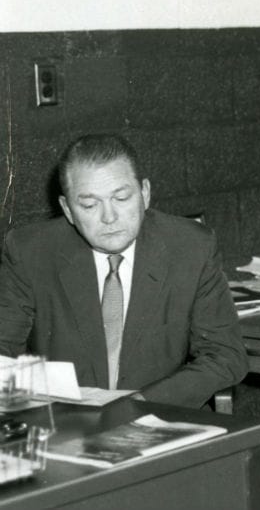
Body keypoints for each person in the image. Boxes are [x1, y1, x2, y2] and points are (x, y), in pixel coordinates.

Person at [0, 134, 247, 408]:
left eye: (121, 197)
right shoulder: (30, 251)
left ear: (145, 193)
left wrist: (140, 402)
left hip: (157, 417)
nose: (109, 217)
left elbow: (225, 355)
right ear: (68, 210)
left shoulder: (190, 247)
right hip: (64, 424)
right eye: (89, 205)